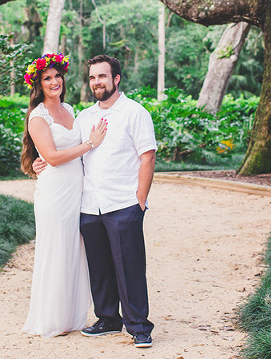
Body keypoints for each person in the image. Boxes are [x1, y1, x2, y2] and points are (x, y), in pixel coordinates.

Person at [34, 54, 157, 348]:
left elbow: (147, 156)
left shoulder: (135, 112)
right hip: (88, 205)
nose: (96, 82)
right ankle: (108, 319)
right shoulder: (84, 116)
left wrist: (140, 199)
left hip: (123, 203)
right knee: (99, 268)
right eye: (92, 77)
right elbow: (59, 147)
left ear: (116, 79)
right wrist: (40, 163)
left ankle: (138, 325)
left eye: (102, 76)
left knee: (129, 266)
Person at [20, 53, 108, 338]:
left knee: (74, 250)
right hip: (55, 192)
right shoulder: (38, 116)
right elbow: (54, 157)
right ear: (38, 84)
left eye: (58, 76)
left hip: (77, 192)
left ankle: (72, 316)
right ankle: (51, 319)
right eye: (48, 78)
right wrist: (89, 144)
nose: (55, 81)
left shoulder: (70, 109)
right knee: (56, 250)